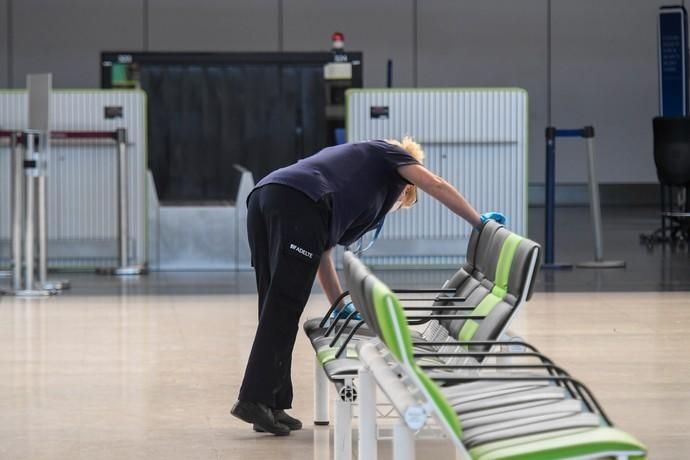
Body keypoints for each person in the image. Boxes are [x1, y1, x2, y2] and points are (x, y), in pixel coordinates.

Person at [230, 137, 505, 435]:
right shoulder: (393, 157)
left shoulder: (355, 173)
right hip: (297, 203)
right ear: (407, 186)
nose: (396, 206)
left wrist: (339, 308)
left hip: (266, 197)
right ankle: (253, 399)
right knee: (284, 304)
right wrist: (479, 222)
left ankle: (270, 404)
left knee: (275, 304)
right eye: (402, 203)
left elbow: (323, 249)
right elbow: (436, 184)